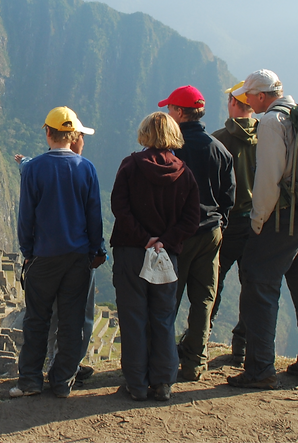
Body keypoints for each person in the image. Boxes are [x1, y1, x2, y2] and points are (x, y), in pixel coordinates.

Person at [227, 69, 298, 389]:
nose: (247, 101)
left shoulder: (271, 123)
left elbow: (268, 179)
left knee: (259, 283)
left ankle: (259, 369)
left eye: (249, 96)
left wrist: (258, 222)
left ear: (261, 96)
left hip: (284, 217)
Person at [12, 106, 106, 399]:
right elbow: (95, 216)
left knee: (37, 319)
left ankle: (29, 381)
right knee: (72, 320)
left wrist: (27, 251)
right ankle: (63, 380)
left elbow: (26, 216)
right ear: (73, 134)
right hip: (78, 258)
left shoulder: (35, 168)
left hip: (44, 257)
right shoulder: (86, 168)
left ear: (48, 133)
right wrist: (96, 249)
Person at [110, 112, 200, 401]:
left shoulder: (130, 166)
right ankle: (163, 382)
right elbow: (191, 219)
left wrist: (143, 238)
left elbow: (119, 207)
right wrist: (165, 241)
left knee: (133, 316)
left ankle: (136, 384)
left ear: (145, 133)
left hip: (131, 253)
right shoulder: (184, 173)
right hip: (165, 256)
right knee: (163, 316)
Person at [160, 85, 235, 381]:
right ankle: (194, 362)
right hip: (210, 233)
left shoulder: (171, 150)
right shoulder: (220, 149)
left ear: (179, 113)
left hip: (178, 235)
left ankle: (162, 361)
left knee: (168, 298)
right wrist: (218, 223)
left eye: (170, 109)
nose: (168, 114)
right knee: (204, 299)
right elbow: (229, 196)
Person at [209, 81, 259, 366]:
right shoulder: (269, 137)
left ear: (232, 104)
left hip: (227, 223)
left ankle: (200, 337)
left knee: (213, 282)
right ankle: (242, 346)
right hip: (258, 223)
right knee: (252, 285)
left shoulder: (218, 140)